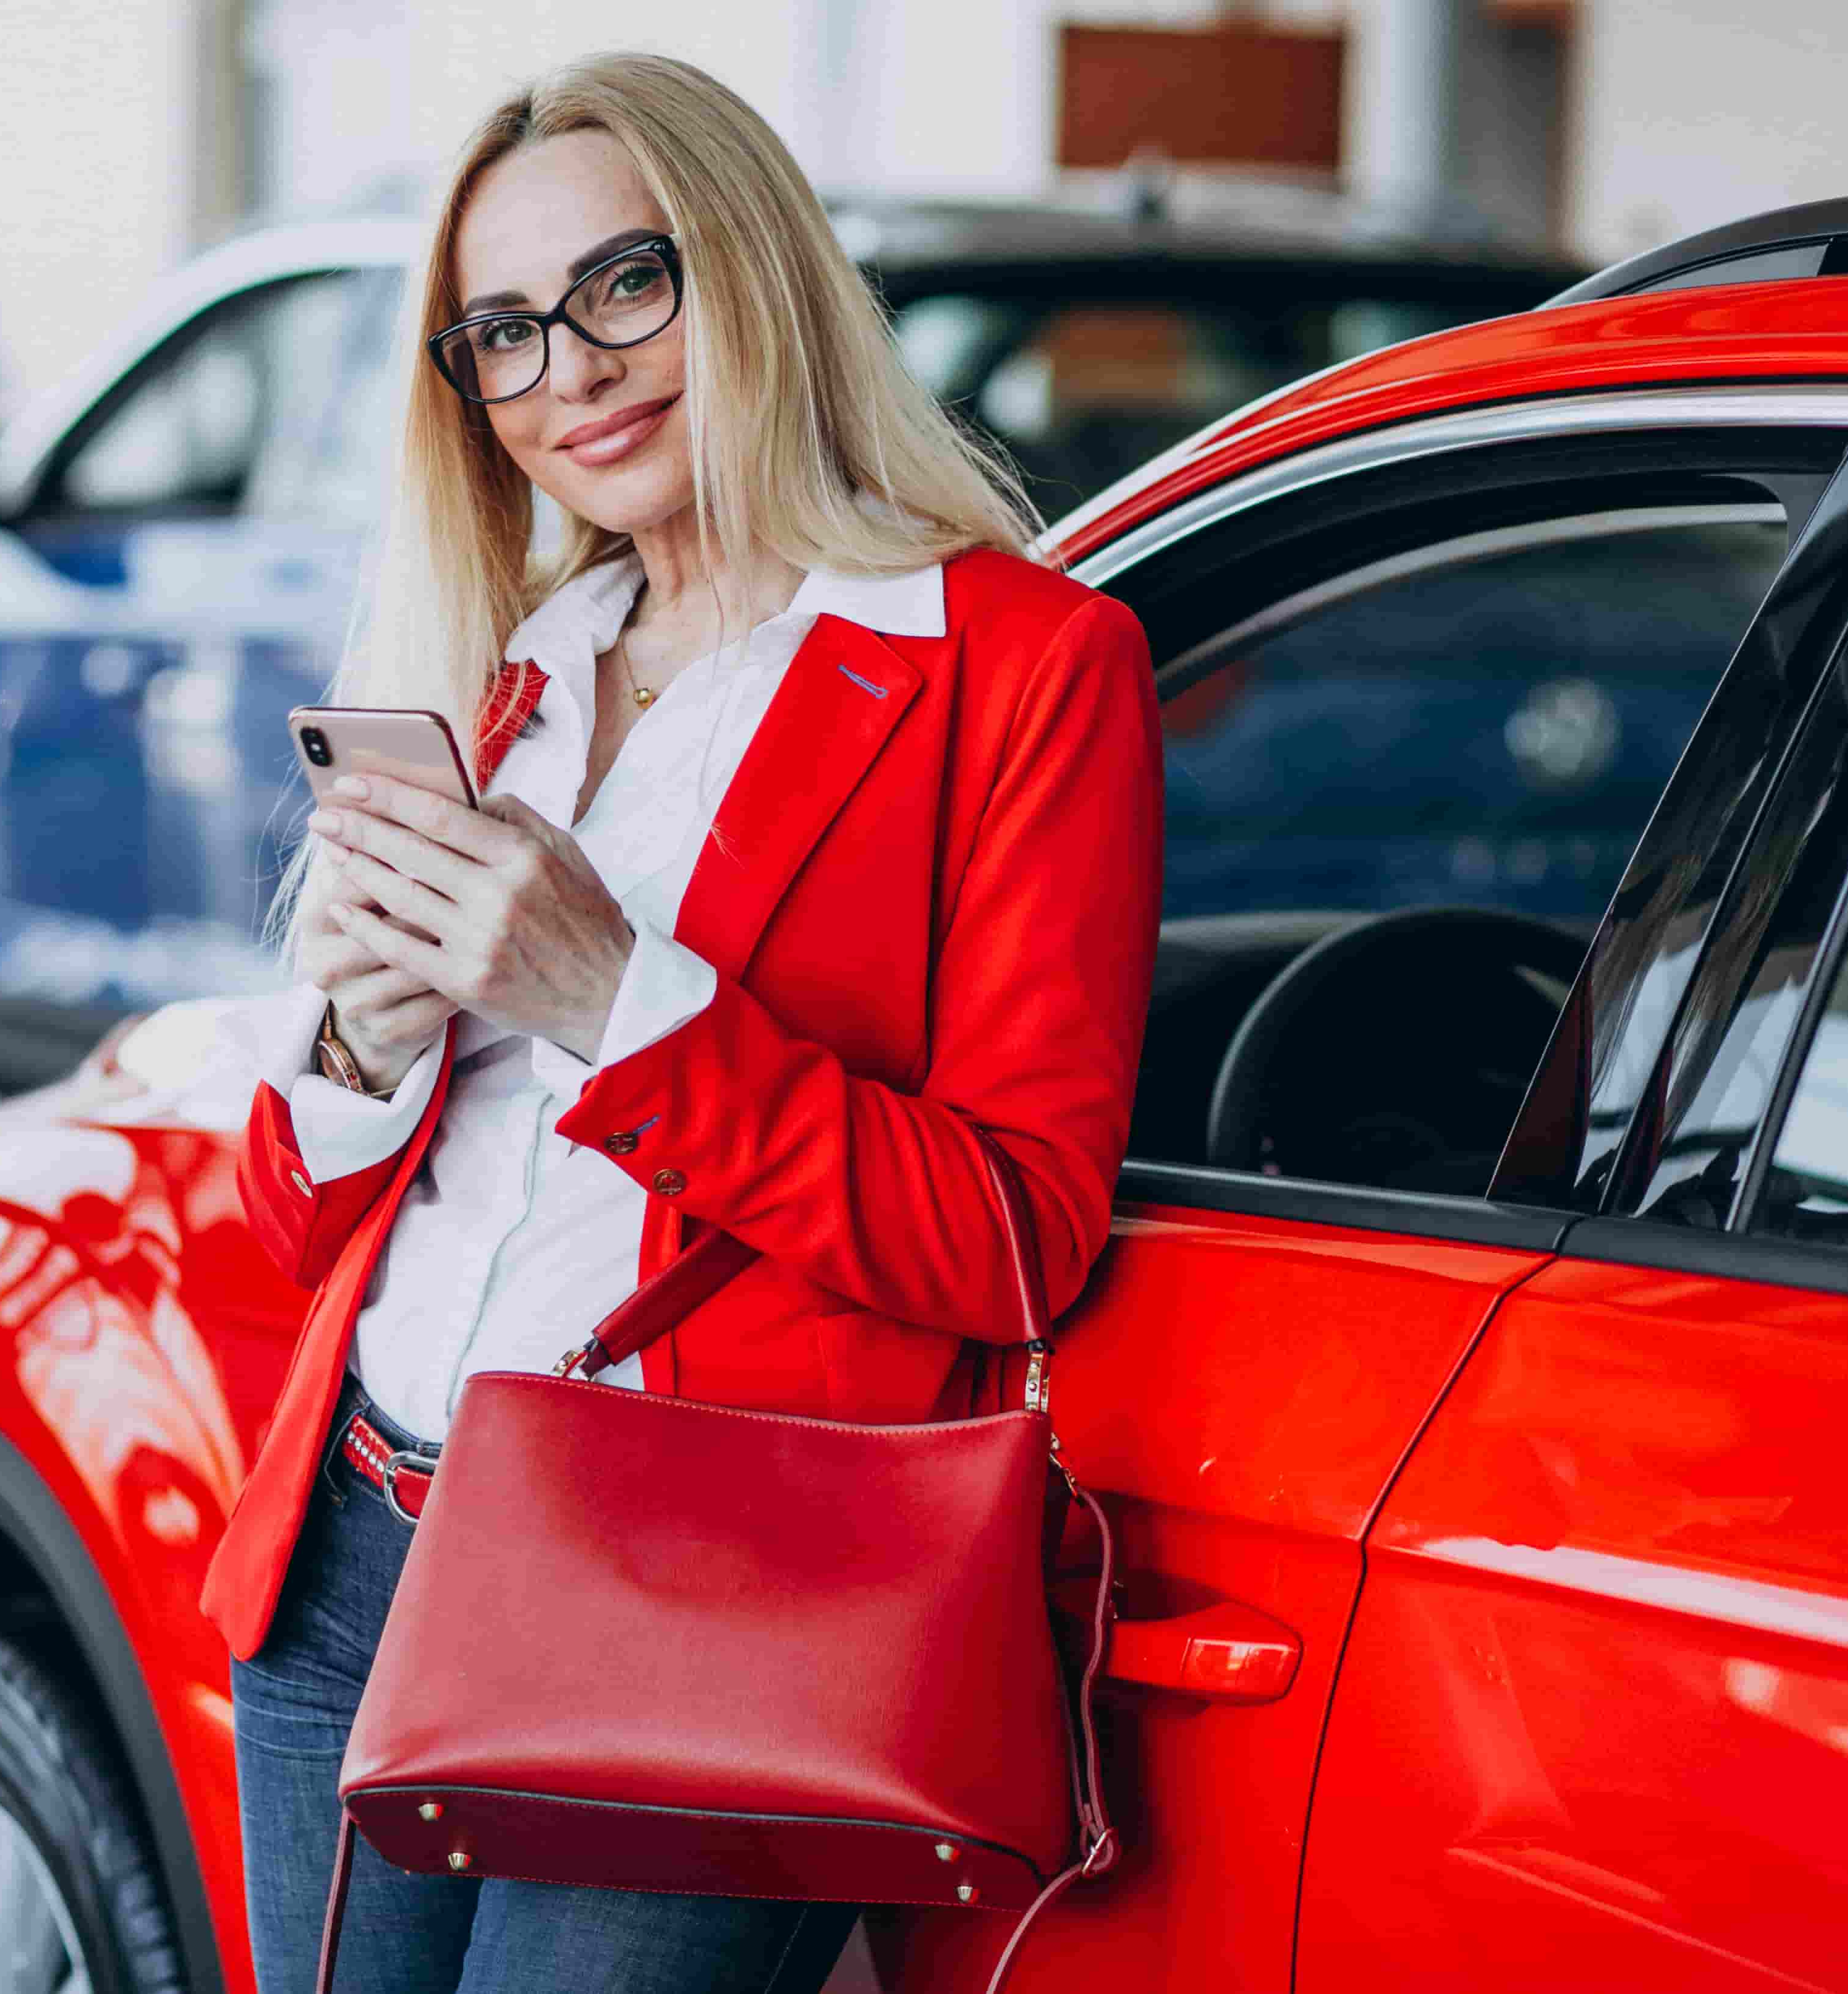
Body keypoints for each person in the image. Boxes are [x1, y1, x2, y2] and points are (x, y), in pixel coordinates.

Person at [193, 50, 1162, 1994]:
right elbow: (306, 1231)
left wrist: (614, 1004)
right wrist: (366, 1052)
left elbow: (1011, 1231)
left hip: (694, 1592)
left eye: (629, 283)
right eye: (504, 334)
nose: (576, 371)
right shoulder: (500, 678)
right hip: (352, 1562)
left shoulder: (1019, 669)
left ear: (755, 268)